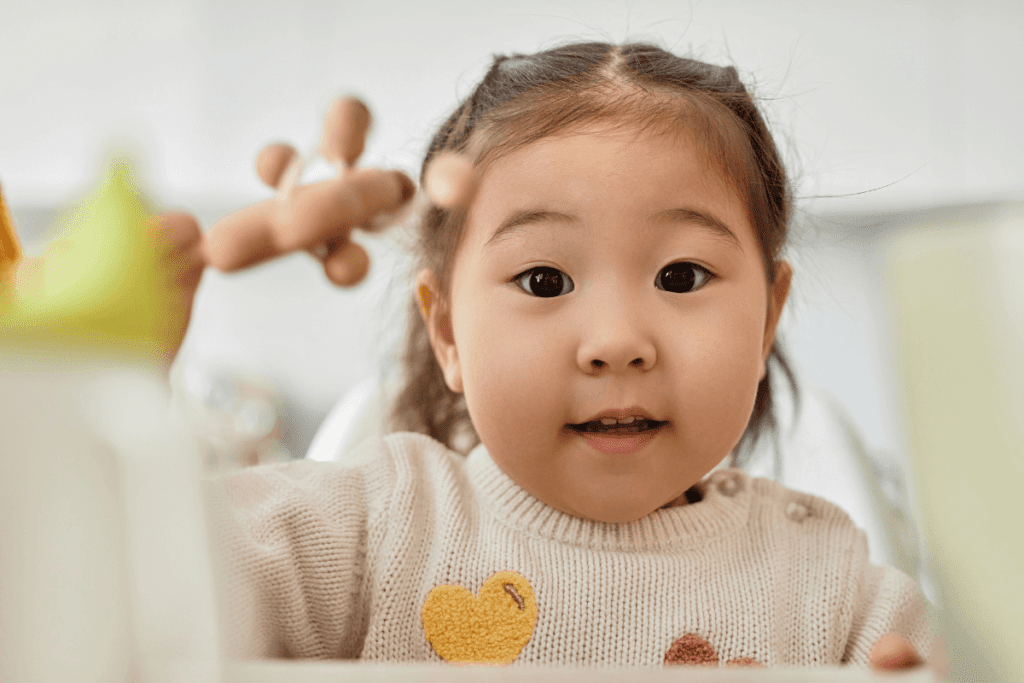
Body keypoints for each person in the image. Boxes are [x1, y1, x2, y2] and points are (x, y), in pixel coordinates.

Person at [162, 41, 939, 671]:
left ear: (767, 318)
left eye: (681, 276)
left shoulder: (837, 595)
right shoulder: (368, 532)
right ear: (449, 336)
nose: (616, 344)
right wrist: (99, 375)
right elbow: (121, 596)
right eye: (544, 279)